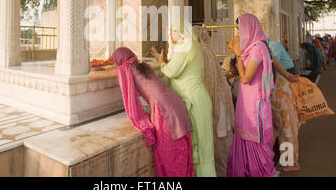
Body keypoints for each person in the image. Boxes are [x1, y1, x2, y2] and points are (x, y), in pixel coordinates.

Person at [88, 47, 195, 177]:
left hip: (163, 107)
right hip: (174, 101)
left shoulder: (126, 70)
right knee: (181, 147)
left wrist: (100, 67)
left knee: (169, 152)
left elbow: (92, 74)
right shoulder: (144, 66)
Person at [151, 21, 216, 177]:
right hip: (196, 99)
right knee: (202, 148)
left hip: (194, 101)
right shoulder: (189, 45)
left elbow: (172, 72)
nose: (169, 35)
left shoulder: (185, 45)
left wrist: (161, 63)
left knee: (201, 149)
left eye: (171, 32)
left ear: (179, 32)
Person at [227, 13, 276, 177]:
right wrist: (237, 55)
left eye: (239, 29)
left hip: (255, 105)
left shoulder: (257, 48)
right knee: (244, 136)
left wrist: (239, 54)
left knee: (254, 140)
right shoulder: (251, 48)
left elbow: (246, 78)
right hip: (247, 102)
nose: (237, 34)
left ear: (249, 28)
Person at [192, 26, 234, 177]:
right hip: (218, 100)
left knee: (220, 145)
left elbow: (209, 82)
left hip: (216, 102)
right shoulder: (205, 51)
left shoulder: (203, 52)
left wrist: (210, 110)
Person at [267, 39, 301, 172]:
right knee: (281, 128)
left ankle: (288, 162)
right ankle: (283, 161)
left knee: (284, 128)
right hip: (276, 91)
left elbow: (274, 64)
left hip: (279, 89)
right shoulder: (264, 46)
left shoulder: (267, 47)